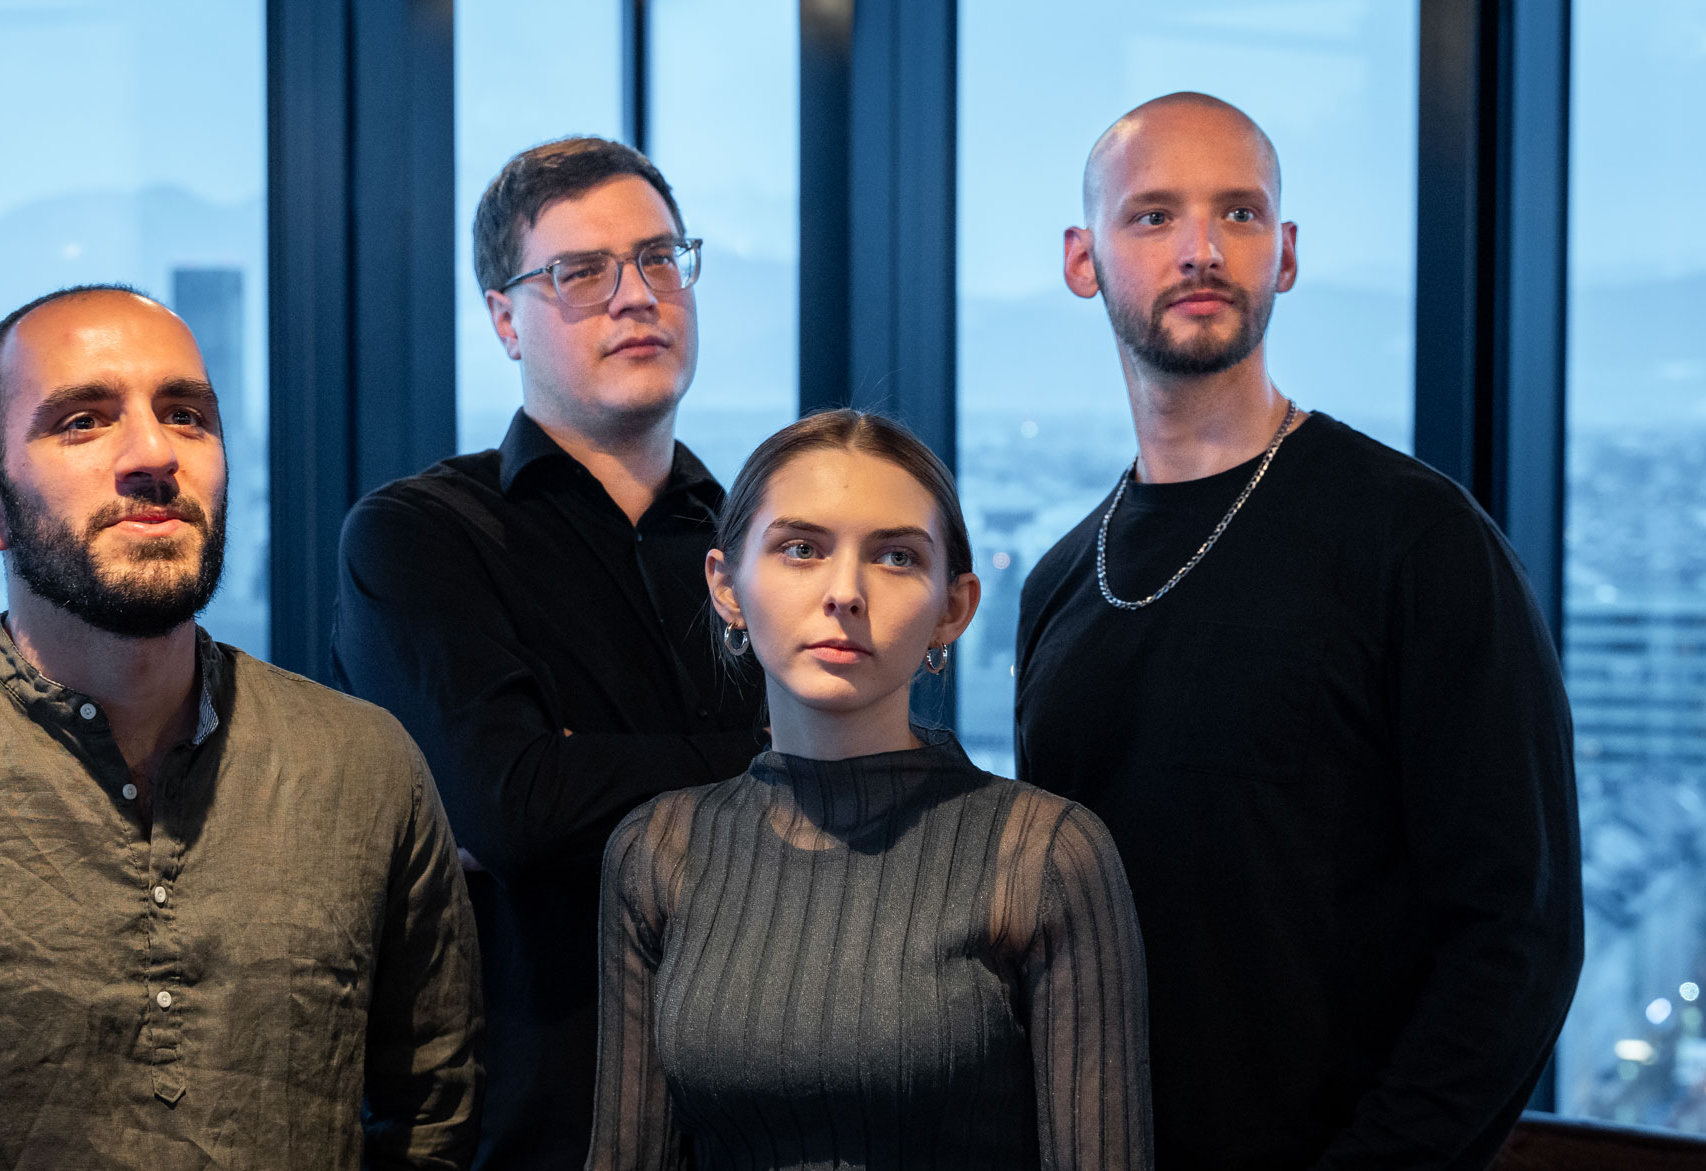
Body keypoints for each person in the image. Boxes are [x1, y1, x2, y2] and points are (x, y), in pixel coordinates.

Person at [0, 285, 482, 1169]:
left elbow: (433, 1119)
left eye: (187, 415)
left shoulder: (363, 767)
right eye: (82, 421)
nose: (154, 453)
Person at [1015, 92, 1582, 1170]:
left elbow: (1517, 933)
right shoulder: (1058, 583)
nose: (1198, 248)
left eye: (1236, 213)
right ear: (1081, 259)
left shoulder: (1415, 541)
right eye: (1152, 217)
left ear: (1282, 253)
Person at [333, 137, 767, 1171]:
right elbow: (511, 805)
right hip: (530, 1125)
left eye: (660, 259)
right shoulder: (419, 535)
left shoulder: (757, 538)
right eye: (579, 273)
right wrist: (771, 757)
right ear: (502, 317)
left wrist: (594, 762)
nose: (636, 295)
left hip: (764, 1110)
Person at [588, 409, 1152, 1170]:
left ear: (953, 608)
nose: (844, 592)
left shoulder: (1046, 854)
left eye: (894, 557)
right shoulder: (660, 850)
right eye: (800, 548)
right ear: (726, 584)